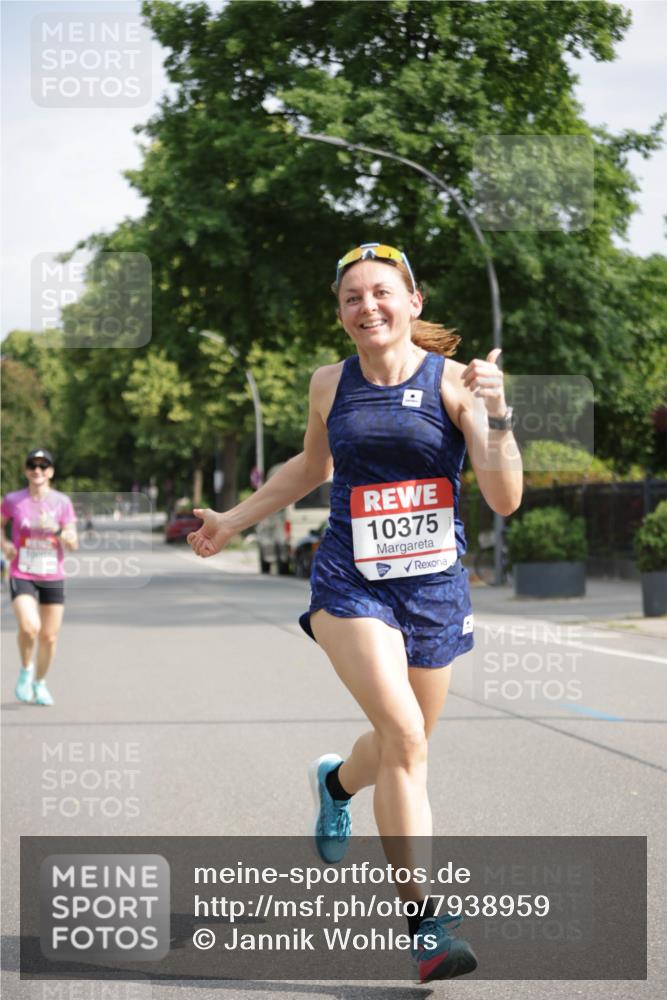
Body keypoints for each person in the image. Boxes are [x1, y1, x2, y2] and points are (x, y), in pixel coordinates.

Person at [188, 242, 522, 982]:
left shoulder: (455, 384)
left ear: (412, 302)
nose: (366, 306)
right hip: (349, 583)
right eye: (351, 298)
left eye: (380, 293)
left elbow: (503, 499)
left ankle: (335, 783)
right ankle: (426, 924)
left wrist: (496, 412)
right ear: (339, 314)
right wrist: (232, 520)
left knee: (400, 745)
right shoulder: (327, 384)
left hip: (434, 589)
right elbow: (310, 467)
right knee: (405, 736)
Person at [1, 449, 78, 706]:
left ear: (51, 472)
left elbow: (73, 541)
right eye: (32, 466)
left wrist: (57, 530)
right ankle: (26, 669)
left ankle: (40, 682)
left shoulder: (62, 502)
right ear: (26, 471)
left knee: (49, 636)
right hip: (21, 570)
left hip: (52, 573)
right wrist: (4, 544)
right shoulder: (13, 500)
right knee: (29, 626)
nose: (38, 470)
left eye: (43, 466)